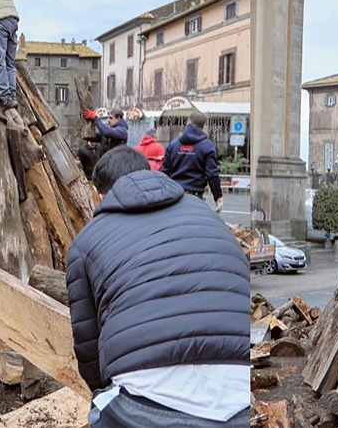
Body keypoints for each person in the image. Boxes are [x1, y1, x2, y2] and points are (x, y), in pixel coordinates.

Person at [66, 146, 250, 427]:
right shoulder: (206, 214)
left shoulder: (87, 240)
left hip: (146, 405)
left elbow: (89, 350)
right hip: (242, 397)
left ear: (100, 195)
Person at [160, 111, 223, 213]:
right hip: (195, 197)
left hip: (175, 196)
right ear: (203, 126)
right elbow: (212, 174)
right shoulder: (208, 146)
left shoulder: (173, 144)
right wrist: (218, 196)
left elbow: (164, 172)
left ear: (188, 122)